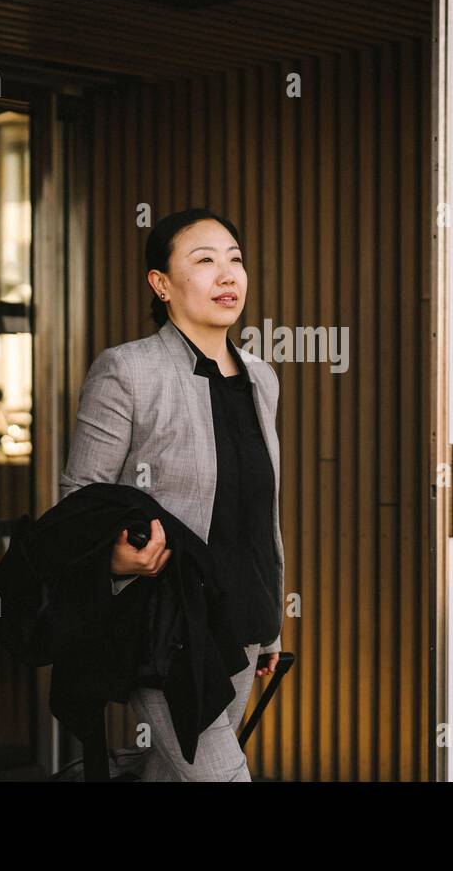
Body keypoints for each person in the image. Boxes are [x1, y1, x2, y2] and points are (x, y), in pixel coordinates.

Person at [58, 207, 285, 781]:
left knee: (171, 774)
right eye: (204, 261)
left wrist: (272, 624)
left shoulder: (261, 378)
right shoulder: (128, 370)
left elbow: (260, 512)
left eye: (235, 260)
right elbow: (79, 500)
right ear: (161, 284)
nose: (227, 275)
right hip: (165, 631)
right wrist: (116, 556)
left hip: (242, 626)